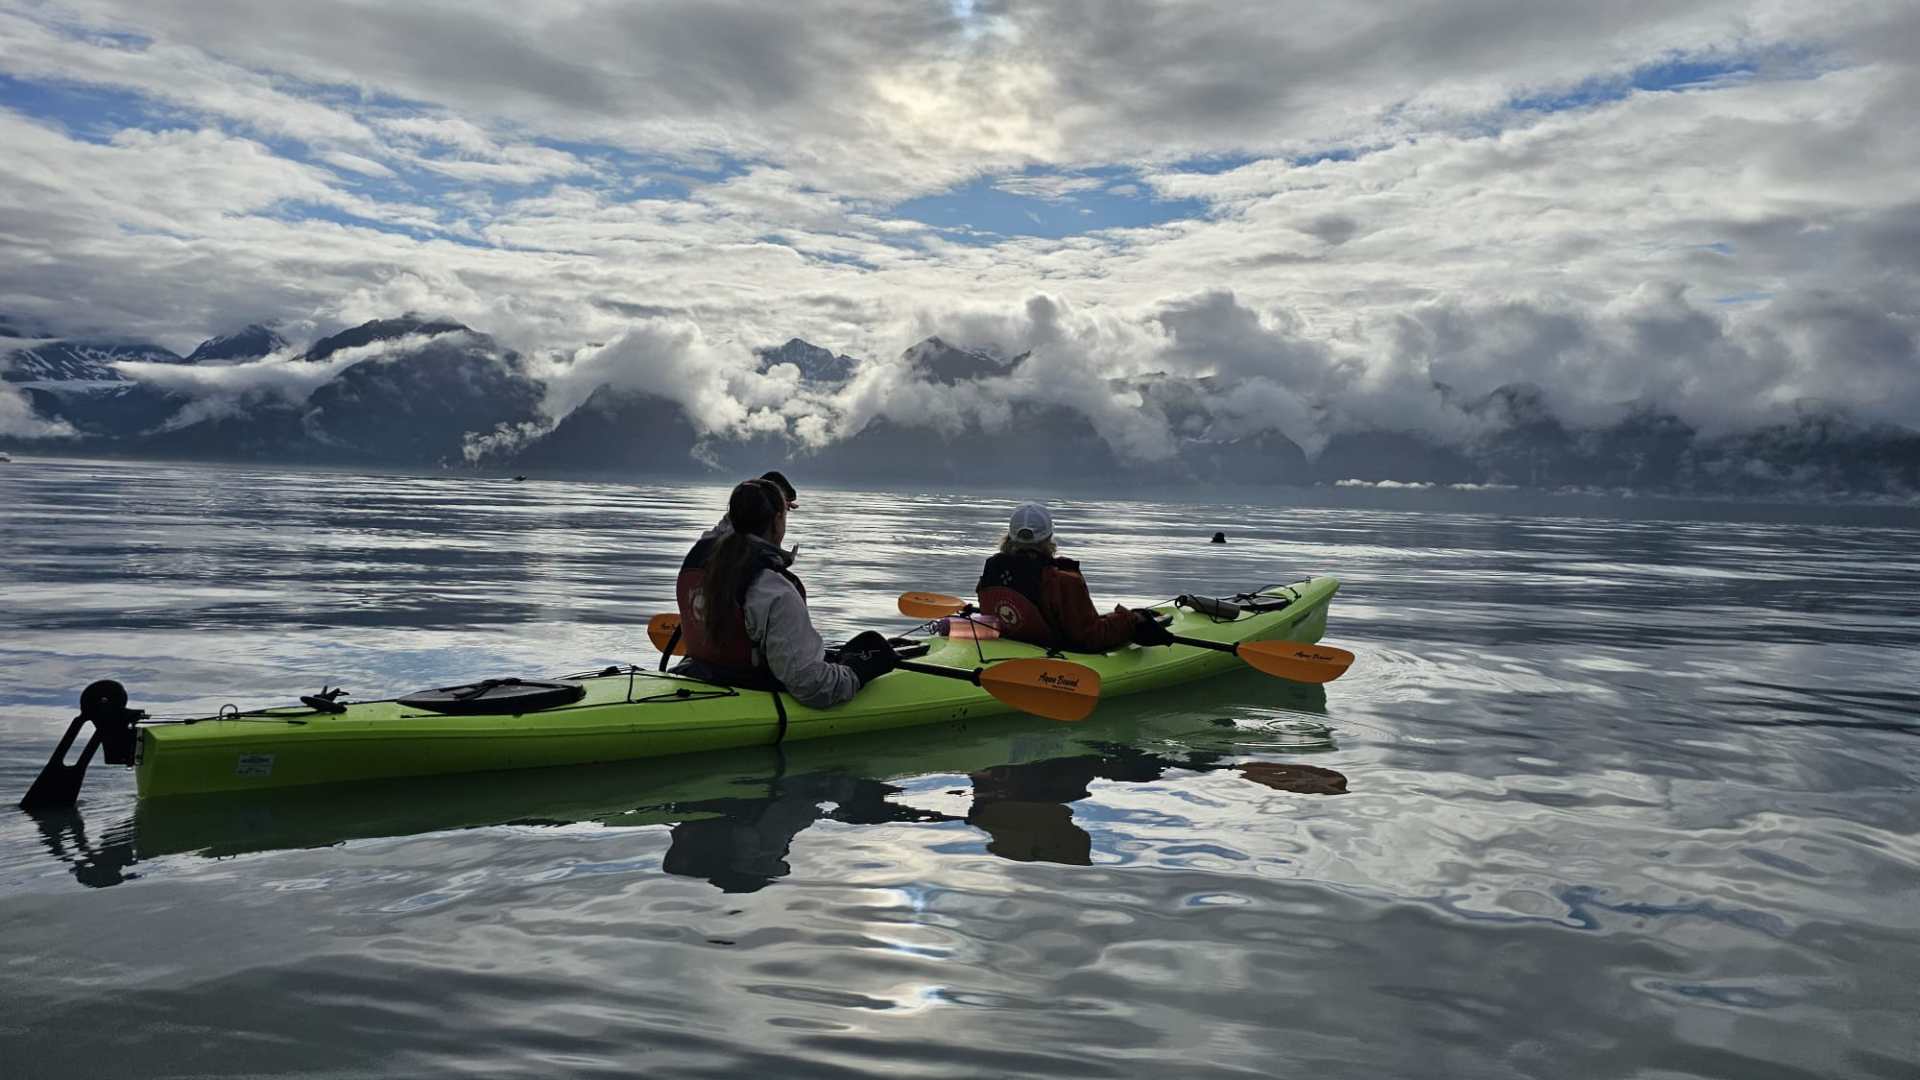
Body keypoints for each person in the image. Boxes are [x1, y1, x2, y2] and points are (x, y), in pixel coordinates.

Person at [674, 479, 896, 707]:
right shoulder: (773, 590)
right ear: (778, 518)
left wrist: (758, 493)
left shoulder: (700, 555)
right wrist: (858, 671)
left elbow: (732, 525)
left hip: (697, 674)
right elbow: (811, 685)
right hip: (750, 690)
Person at [975, 502, 1175, 652]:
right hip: (1052, 652)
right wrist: (1131, 620)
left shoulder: (993, 567)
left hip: (1009, 645)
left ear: (1009, 536)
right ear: (1048, 537)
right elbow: (1090, 637)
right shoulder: (1063, 581)